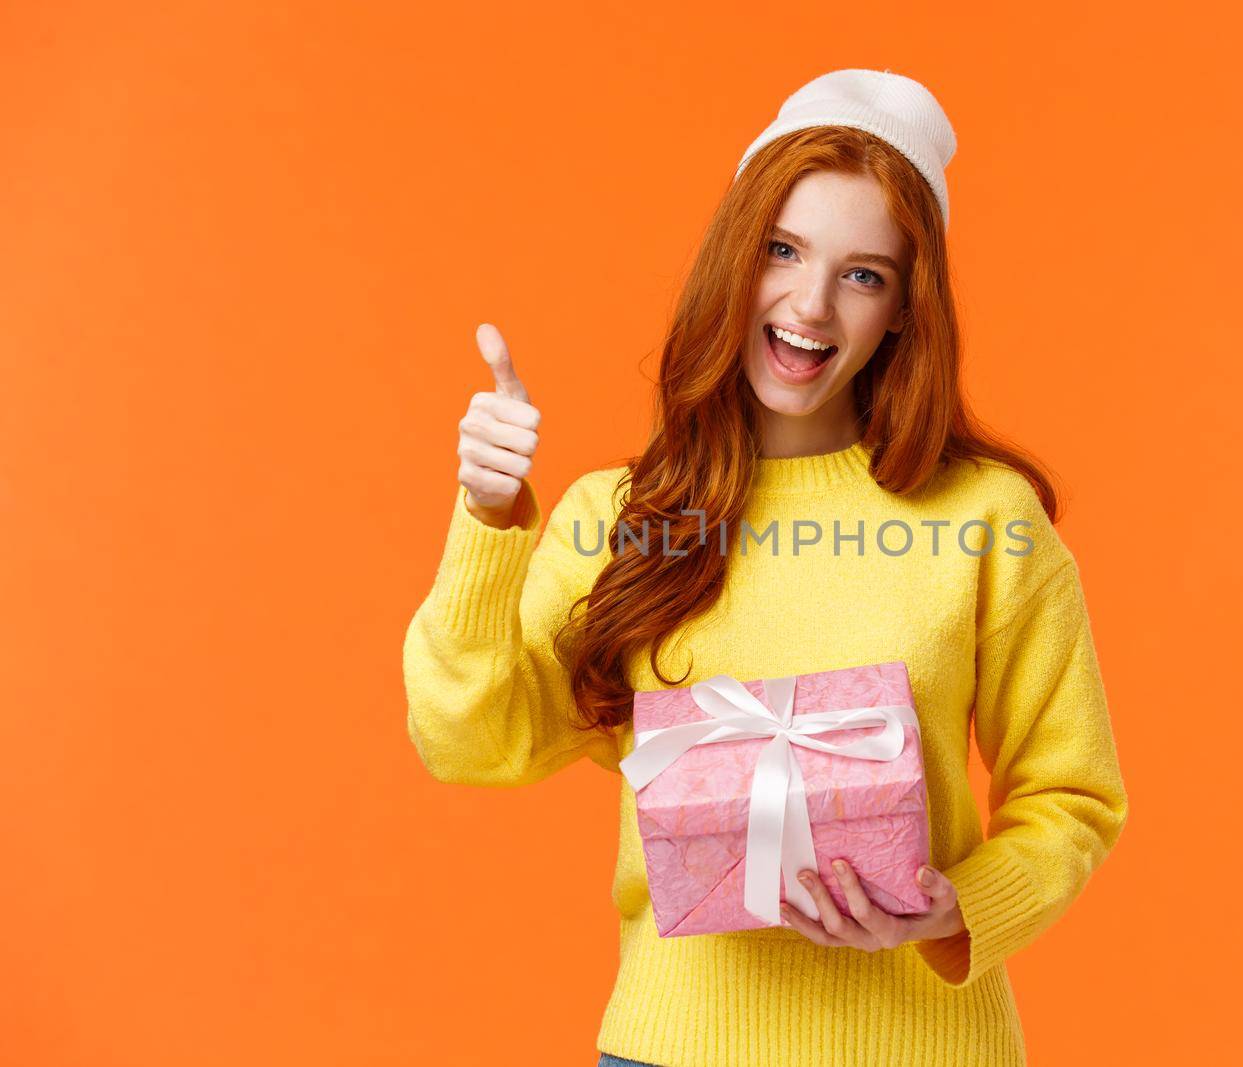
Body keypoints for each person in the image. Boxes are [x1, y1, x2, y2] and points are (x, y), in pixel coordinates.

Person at [403, 68, 1130, 1067]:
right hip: (674, 1048)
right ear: (733, 262)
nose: (810, 304)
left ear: (904, 312)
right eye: (781, 252)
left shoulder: (984, 520)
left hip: (925, 1049)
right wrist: (489, 518)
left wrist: (954, 907)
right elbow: (471, 743)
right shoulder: (619, 519)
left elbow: (1072, 795)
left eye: (862, 274)